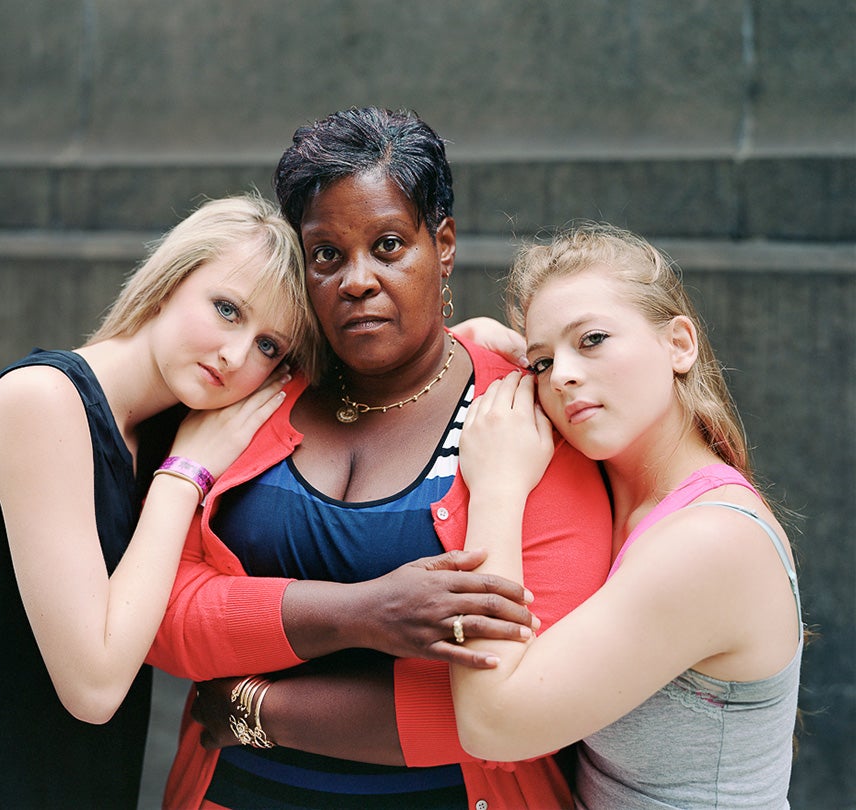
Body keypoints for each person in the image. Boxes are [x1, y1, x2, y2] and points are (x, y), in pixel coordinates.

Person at [146, 107, 613, 809]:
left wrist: (255, 710)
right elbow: (165, 613)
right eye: (326, 255)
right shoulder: (250, 397)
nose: (356, 280)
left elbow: (528, 699)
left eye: (388, 245)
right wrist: (363, 612)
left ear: (443, 245)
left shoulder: (521, 419)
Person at [0, 194, 323, 809]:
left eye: (269, 347)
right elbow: (93, 686)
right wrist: (185, 476)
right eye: (227, 310)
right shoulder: (42, 403)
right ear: (171, 283)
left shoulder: (156, 436)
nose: (236, 355)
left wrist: (467, 344)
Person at [450, 223, 802, 808]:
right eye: (541, 363)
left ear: (680, 345)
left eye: (591, 340)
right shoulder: (621, 495)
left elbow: (494, 725)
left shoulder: (713, 541)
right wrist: (481, 345)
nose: (561, 375)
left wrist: (498, 490)